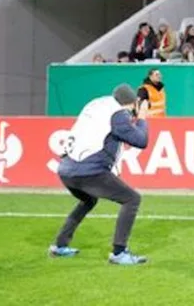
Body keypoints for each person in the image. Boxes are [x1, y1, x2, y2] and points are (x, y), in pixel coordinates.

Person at [49, 84, 149, 265]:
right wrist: (142, 118)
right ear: (133, 103)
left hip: (66, 169)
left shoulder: (98, 104)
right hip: (88, 171)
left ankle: (60, 245)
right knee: (132, 199)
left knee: (88, 200)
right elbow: (141, 141)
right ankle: (119, 253)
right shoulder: (119, 114)